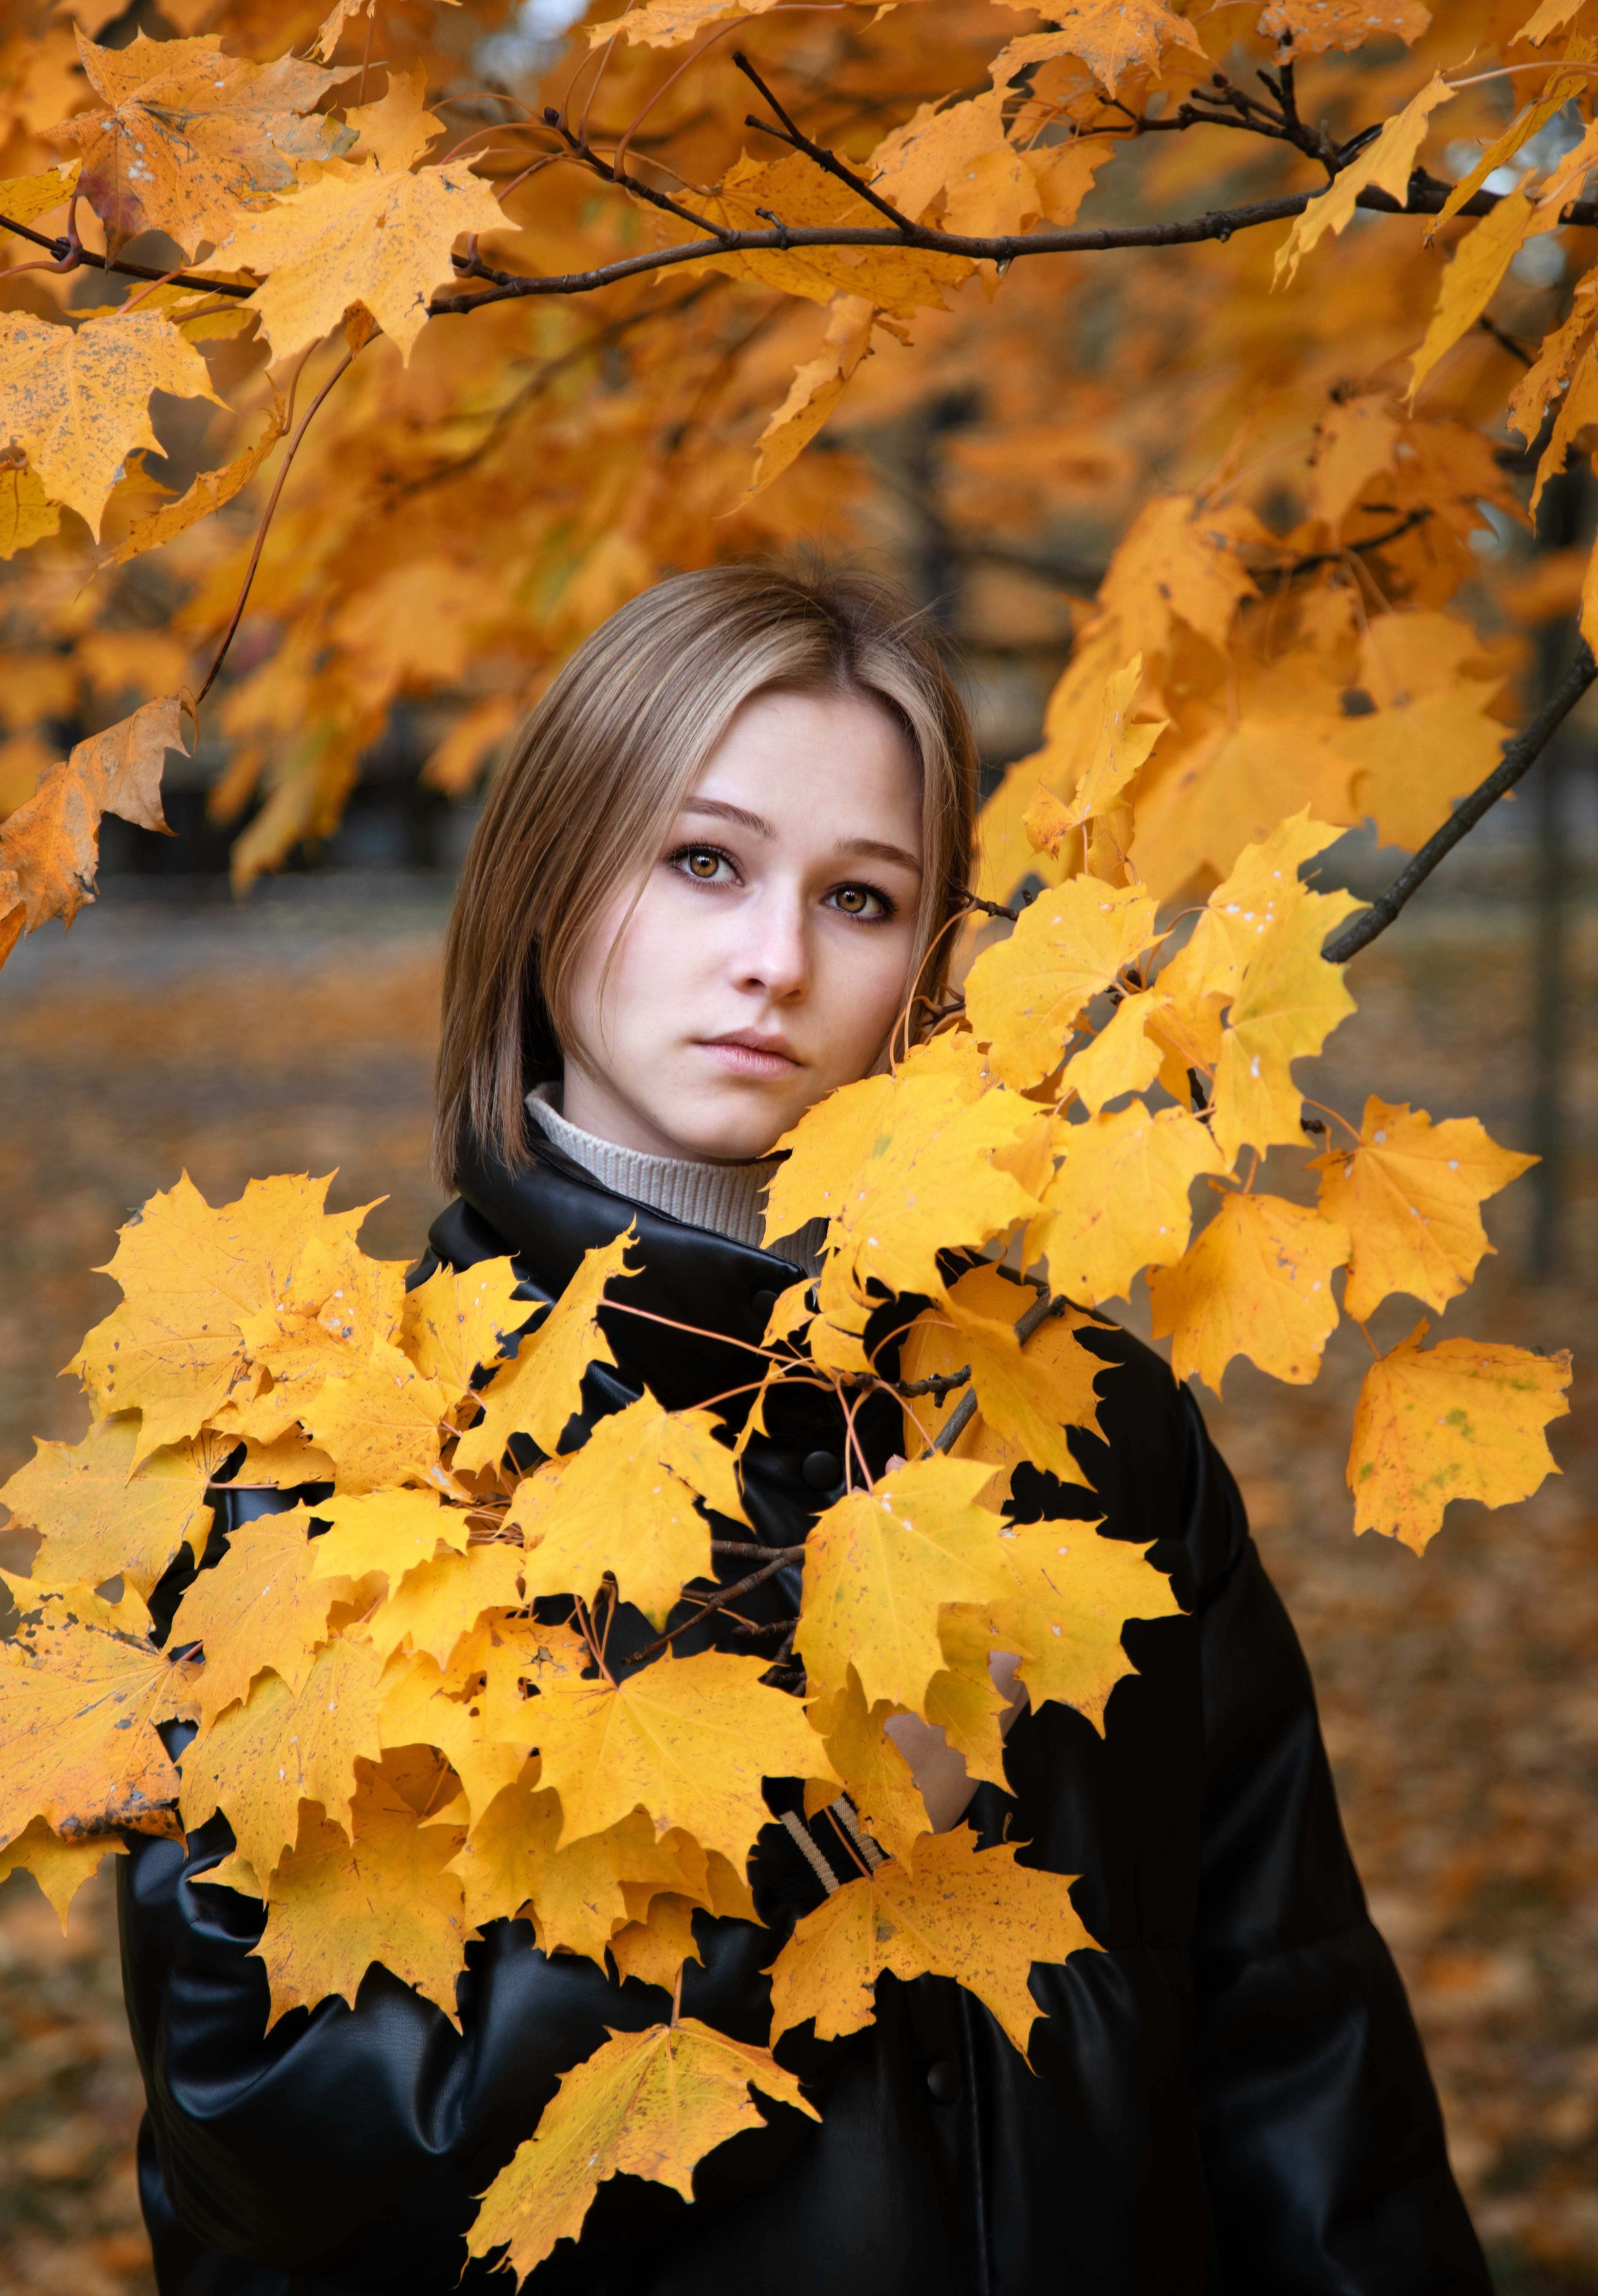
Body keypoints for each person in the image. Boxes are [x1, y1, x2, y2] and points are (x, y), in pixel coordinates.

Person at [119, 562, 1490, 2294]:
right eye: (703, 861)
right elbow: (277, 2160)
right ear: (550, 876)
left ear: (924, 962)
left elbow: (1297, 2058)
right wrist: (799, 1830)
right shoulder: (335, 1468)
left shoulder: (1085, 1434)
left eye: (860, 899)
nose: (773, 961)